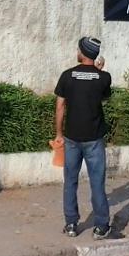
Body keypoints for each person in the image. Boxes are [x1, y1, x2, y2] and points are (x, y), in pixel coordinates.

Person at [54, 36, 112, 238]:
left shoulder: (67, 76)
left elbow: (60, 106)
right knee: (97, 182)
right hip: (94, 138)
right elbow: (102, 96)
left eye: (78, 48)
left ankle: (71, 224)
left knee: (70, 181)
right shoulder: (104, 78)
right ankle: (101, 226)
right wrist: (99, 72)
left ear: (82, 52)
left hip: (71, 138)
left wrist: (59, 133)